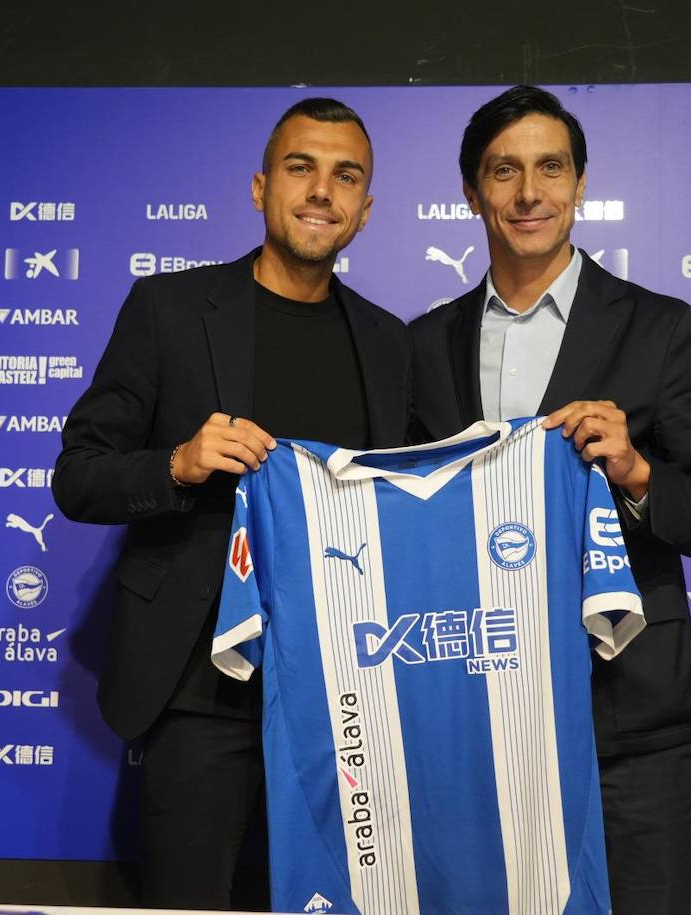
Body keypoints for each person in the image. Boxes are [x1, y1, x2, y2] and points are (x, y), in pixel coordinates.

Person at [53, 97, 411, 910]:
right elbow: (78, 475)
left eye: (345, 175)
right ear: (259, 187)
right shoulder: (168, 310)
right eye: (301, 168)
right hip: (202, 688)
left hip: (344, 697)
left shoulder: (392, 343)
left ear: (365, 207)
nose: (322, 189)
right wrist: (178, 463)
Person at [408, 85, 691, 915]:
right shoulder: (417, 345)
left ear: (581, 183)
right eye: (504, 171)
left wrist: (635, 470)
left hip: (627, 725)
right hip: (470, 722)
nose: (529, 193)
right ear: (471, 192)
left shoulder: (663, 329)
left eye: (550, 167)